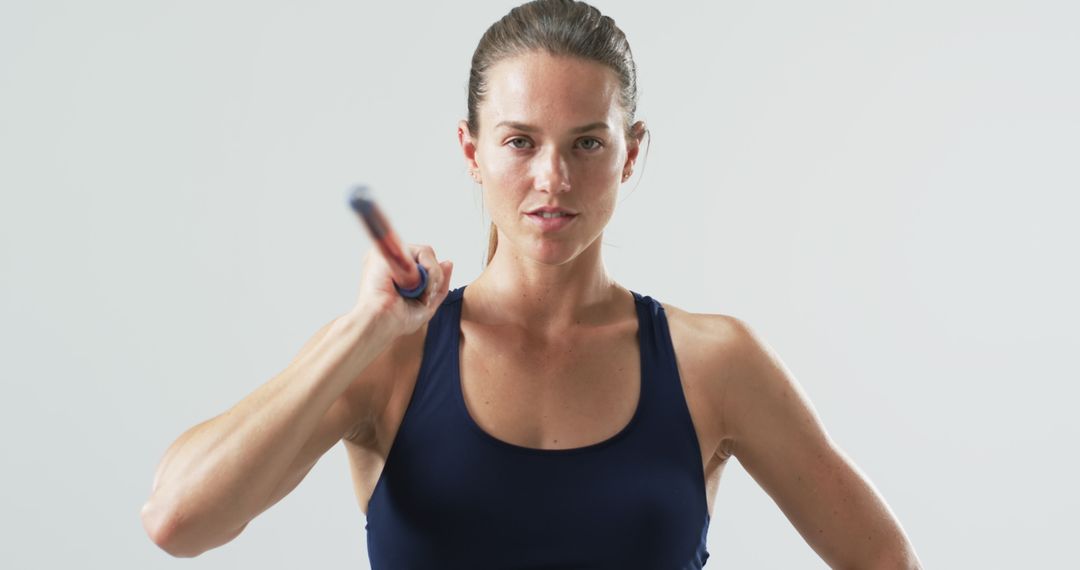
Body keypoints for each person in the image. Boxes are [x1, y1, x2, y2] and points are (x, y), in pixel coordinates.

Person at [141, 0, 922, 567]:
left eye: (588, 142)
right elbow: (179, 521)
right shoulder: (390, 359)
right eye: (520, 142)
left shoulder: (711, 363)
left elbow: (885, 561)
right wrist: (361, 332)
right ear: (472, 150)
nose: (553, 179)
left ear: (631, 152)